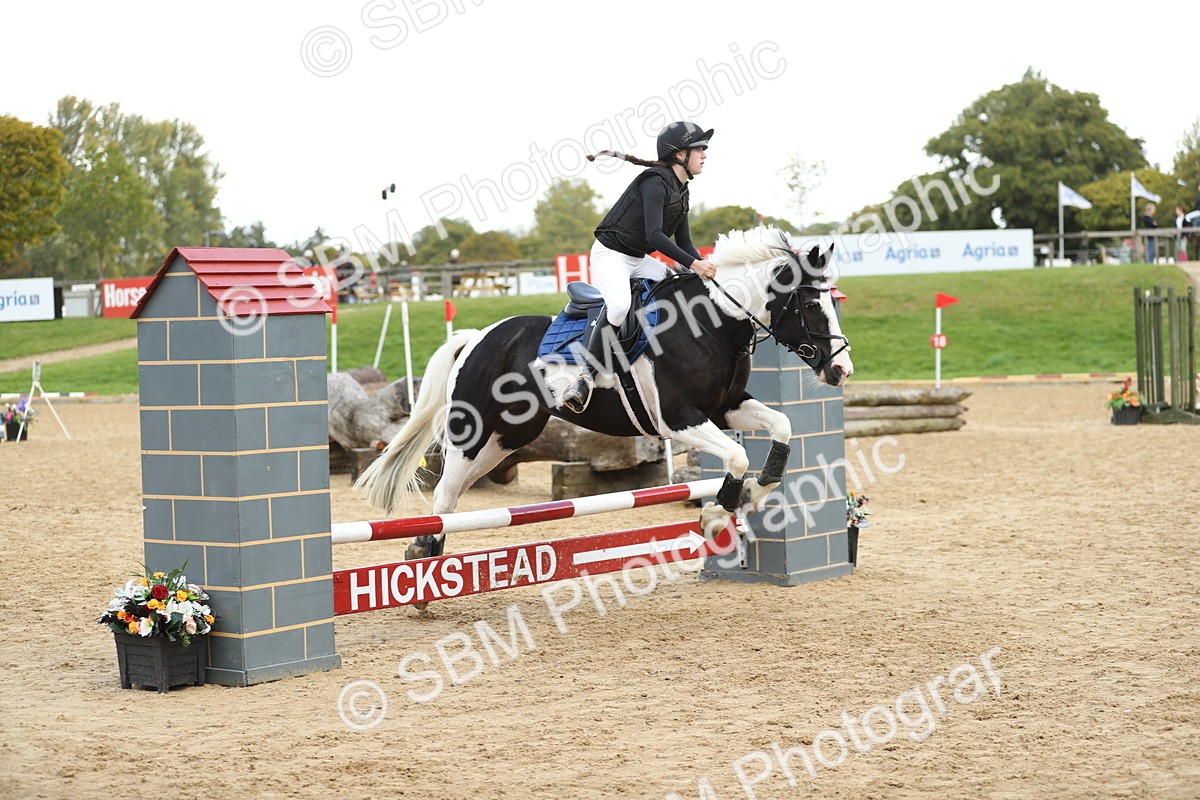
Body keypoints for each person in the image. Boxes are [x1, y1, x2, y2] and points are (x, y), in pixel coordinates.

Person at [559, 121, 717, 413]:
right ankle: (585, 378)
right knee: (619, 306)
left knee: (677, 286)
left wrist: (705, 268)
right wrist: (694, 263)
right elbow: (654, 236)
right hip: (611, 255)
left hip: (637, 259)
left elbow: (684, 241)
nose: (704, 154)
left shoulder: (682, 189)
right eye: (699, 149)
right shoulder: (654, 182)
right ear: (679, 154)